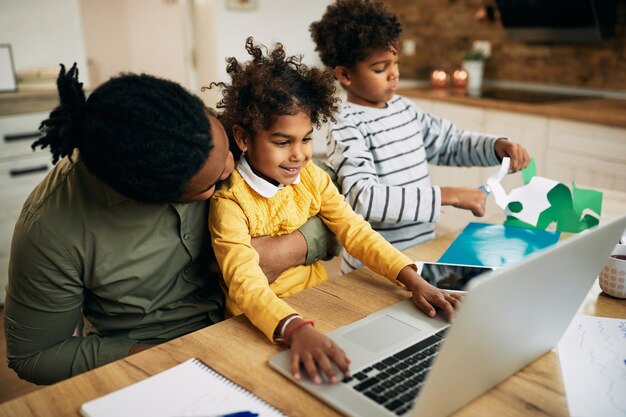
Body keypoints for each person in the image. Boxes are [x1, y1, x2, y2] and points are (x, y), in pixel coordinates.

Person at [4, 64, 337, 385]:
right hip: (164, 363)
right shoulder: (50, 229)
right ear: (157, 196)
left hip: (270, 318)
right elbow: (36, 355)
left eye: (226, 148)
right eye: (209, 185)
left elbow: (325, 187)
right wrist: (156, 357)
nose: (229, 169)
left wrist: (292, 248)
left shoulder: (194, 130)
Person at [208, 37, 462, 386]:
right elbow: (245, 284)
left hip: (318, 303)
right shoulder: (230, 203)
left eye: (307, 139)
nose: (299, 155)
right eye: (283, 142)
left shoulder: (311, 178)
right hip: (263, 324)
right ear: (243, 138)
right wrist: (295, 330)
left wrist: (413, 279)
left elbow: (355, 231)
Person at [310, 0, 531, 273]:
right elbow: (363, 198)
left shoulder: (405, 109)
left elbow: (449, 143)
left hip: (422, 253)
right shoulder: (345, 124)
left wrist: (496, 146)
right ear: (344, 74)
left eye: (396, 63)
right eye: (380, 68)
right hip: (377, 267)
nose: (394, 74)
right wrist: (446, 195)